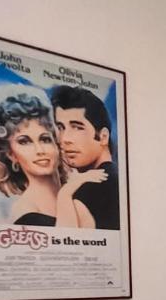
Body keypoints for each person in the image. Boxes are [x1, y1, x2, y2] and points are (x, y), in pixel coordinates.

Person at [0, 86, 105, 227]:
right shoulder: (24, 210)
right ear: (11, 154)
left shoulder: (81, 192)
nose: (39, 150)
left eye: (45, 139)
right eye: (24, 142)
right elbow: (67, 239)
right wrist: (65, 195)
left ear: (57, 143)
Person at [50, 86, 120, 230]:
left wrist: (64, 194)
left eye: (77, 127)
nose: (64, 139)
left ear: (103, 136)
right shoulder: (117, 179)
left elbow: (66, 242)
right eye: (61, 128)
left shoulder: (89, 189)